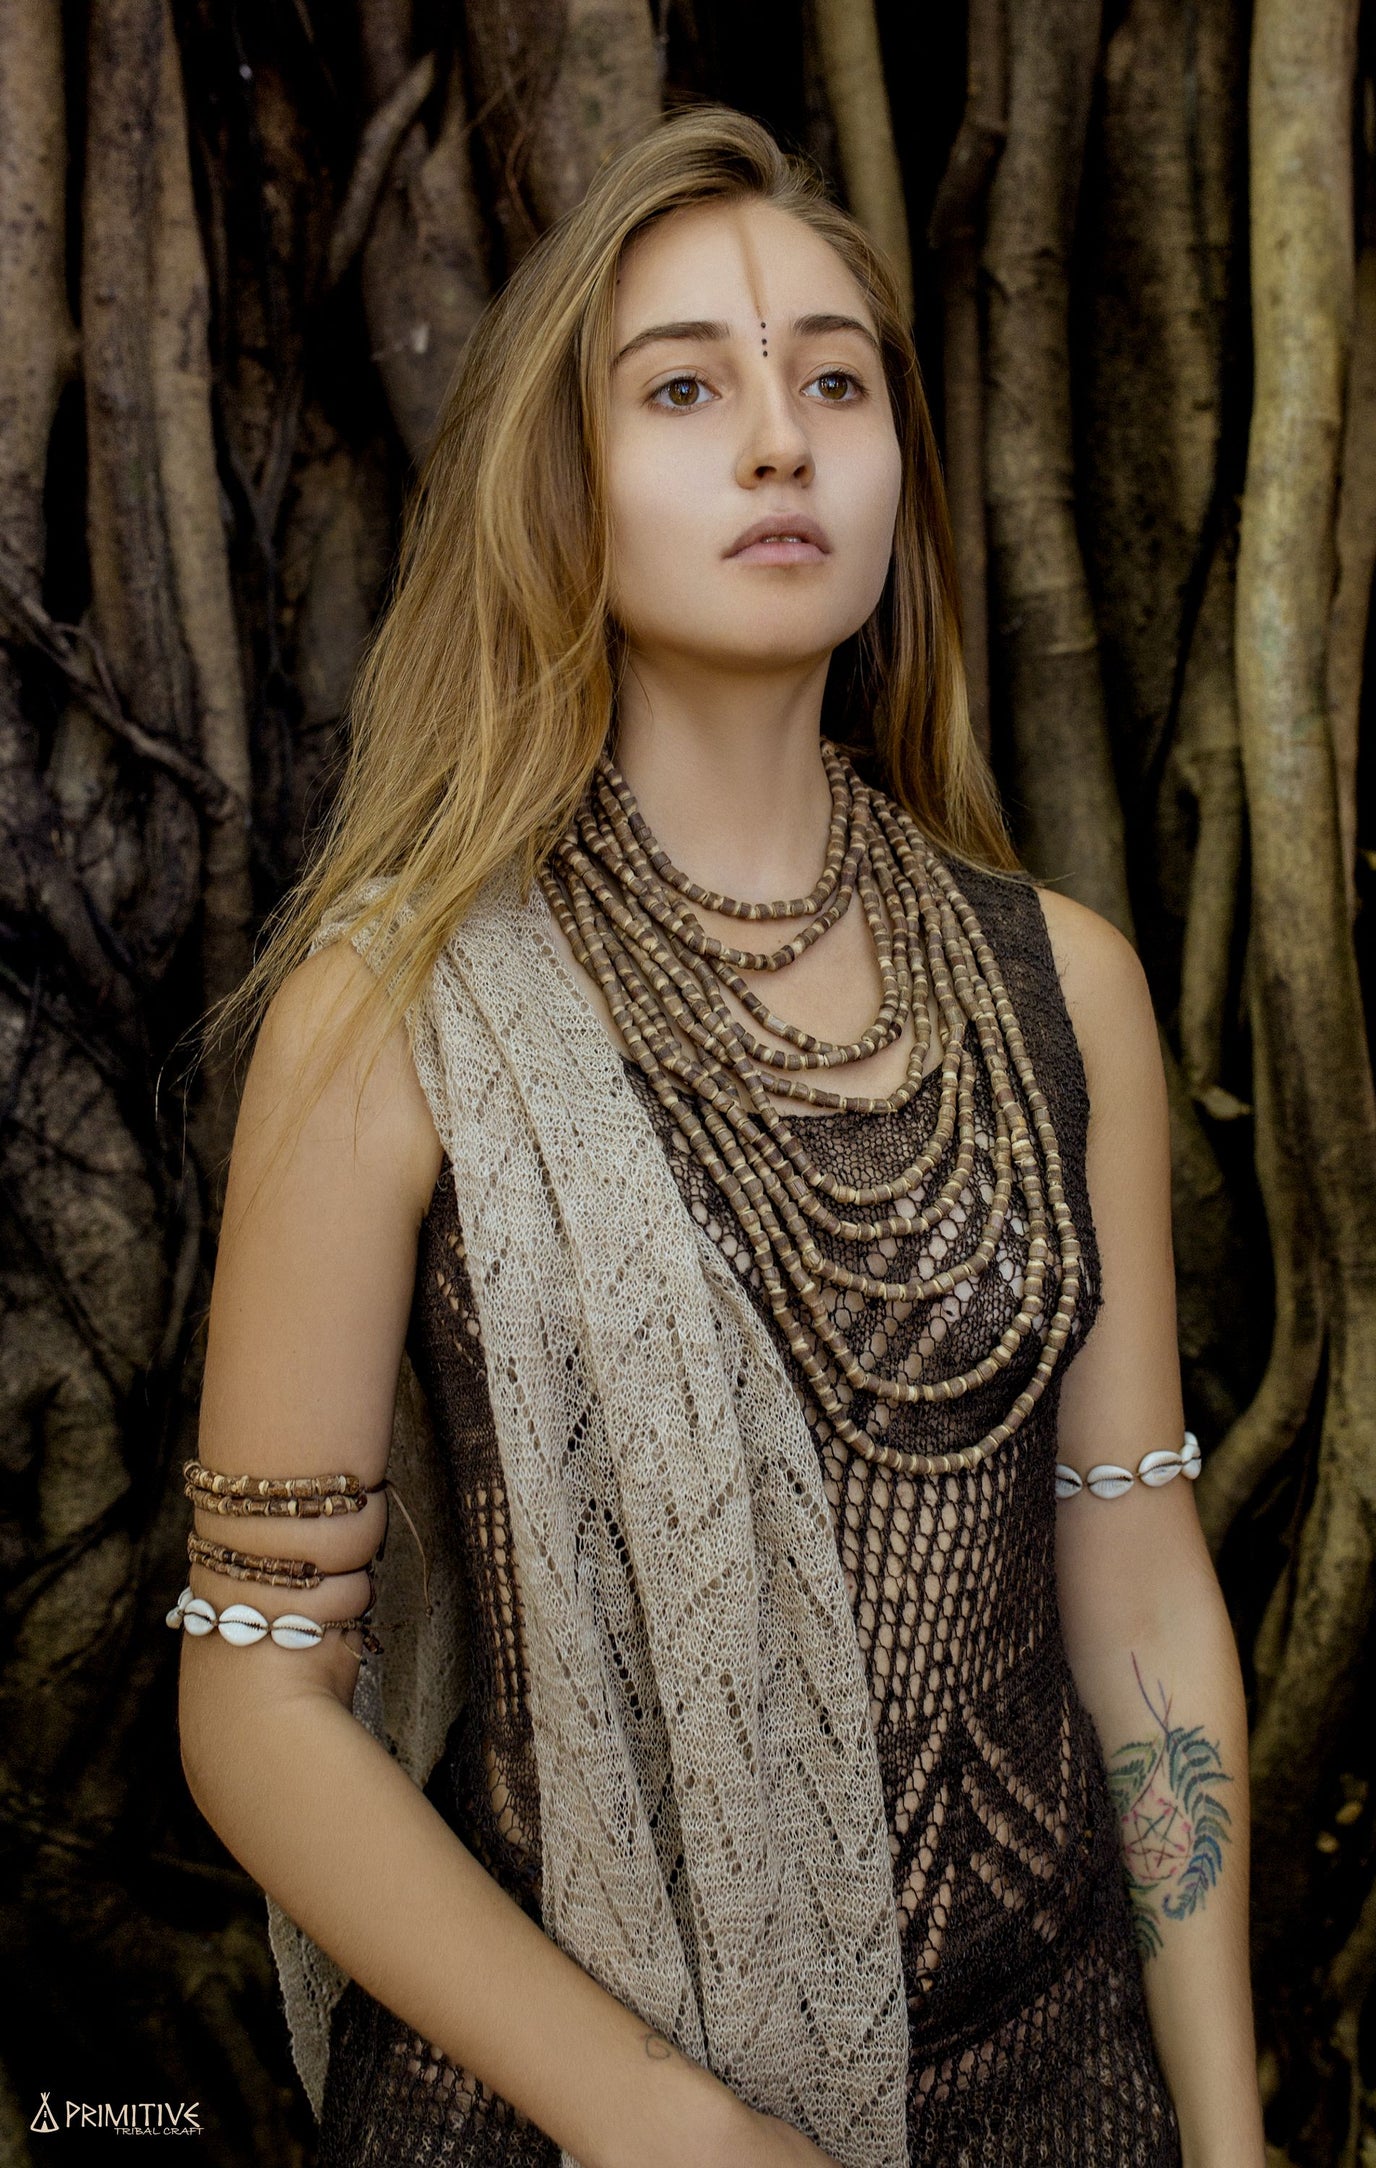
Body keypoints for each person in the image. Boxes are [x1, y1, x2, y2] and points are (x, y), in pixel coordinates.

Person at [174, 104, 1268, 2168]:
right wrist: (664, 2124)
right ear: (558, 485)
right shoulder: (389, 1021)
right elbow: (248, 1698)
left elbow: (1133, 1573)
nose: (782, 439)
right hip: (561, 2110)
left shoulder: (1064, 985)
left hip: (1056, 2087)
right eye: (684, 384)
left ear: (895, 478)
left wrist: (1226, 2132)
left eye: (835, 378)